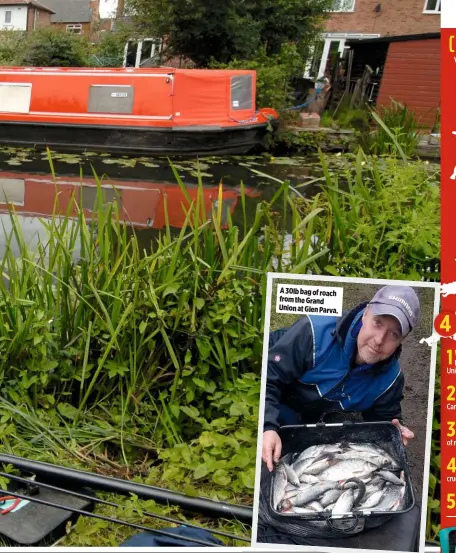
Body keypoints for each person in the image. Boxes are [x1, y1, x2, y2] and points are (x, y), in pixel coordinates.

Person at [262, 285, 420, 472]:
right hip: (283, 380)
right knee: (280, 435)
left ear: (402, 340)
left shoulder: (391, 380)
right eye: (377, 323)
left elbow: (385, 418)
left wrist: (393, 430)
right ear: (365, 315)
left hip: (314, 402)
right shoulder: (312, 334)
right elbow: (269, 376)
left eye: (393, 334)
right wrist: (267, 426)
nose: (379, 340)